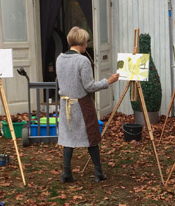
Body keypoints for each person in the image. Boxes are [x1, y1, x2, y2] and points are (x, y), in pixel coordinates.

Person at [57, 26, 120, 183]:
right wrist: (109, 81)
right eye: (86, 41)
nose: (87, 44)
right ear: (81, 42)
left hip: (65, 103)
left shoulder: (59, 58)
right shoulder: (82, 60)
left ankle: (66, 173)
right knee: (91, 136)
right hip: (81, 104)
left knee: (68, 137)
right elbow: (89, 86)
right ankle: (98, 172)